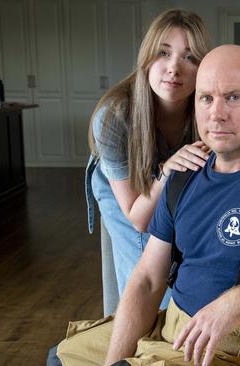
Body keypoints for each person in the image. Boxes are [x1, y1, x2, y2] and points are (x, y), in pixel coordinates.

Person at [57, 45, 240, 366]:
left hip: (226, 348)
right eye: (206, 98)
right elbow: (147, 279)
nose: (216, 113)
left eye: (233, 97)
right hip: (167, 328)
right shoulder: (184, 175)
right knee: (61, 357)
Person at [85, 9, 211, 316]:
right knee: (142, 262)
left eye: (189, 57)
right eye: (163, 53)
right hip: (128, 195)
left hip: (173, 175)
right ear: (147, 57)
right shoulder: (113, 117)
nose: (173, 68)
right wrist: (168, 170)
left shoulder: (207, 107)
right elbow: (138, 218)